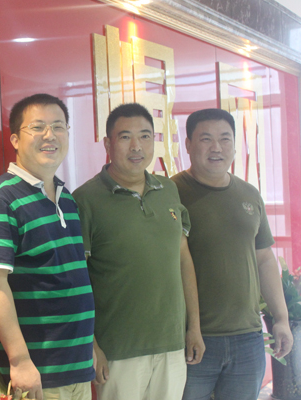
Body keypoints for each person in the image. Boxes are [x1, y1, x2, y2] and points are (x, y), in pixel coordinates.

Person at [72, 103, 204, 400]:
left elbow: (183, 258)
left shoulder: (168, 190)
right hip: (118, 352)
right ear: (108, 144)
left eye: (145, 136)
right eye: (125, 137)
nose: (136, 146)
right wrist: (91, 345)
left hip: (172, 346)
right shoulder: (85, 199)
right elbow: (76, 279)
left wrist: (194, 327)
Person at [0, 93, 96, 400]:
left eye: (58, 126)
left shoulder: (66, 199)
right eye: (37, 127)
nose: (50, 135)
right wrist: (20, 361)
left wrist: (90, 347)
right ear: (15, 139)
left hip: (76, 367)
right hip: (37, 373)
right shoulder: (0, 199)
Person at [172, 108, 294, 400]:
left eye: (225, 139)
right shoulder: (171, 193)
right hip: (191, 337)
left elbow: (264, 259)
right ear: (187, 145)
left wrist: (281, 318)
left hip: (247, 338)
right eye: (206, 139)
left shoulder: (249, 194)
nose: (216, 147)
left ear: (235, 145)